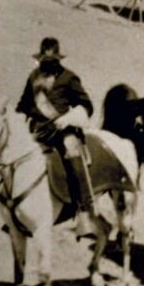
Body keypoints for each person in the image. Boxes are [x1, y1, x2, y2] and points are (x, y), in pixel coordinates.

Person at [17, 37, 97, 221]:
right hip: (37, 129)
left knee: (72, 151)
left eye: (51, 62)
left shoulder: (69, 78)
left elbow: (87, 105)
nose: (47, 66)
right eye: (45, 62)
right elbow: (23, 104)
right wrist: (21, 117)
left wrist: (69, 118)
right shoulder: (34, 77)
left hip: (62, 129)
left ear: (58, 61)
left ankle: (83, 209)